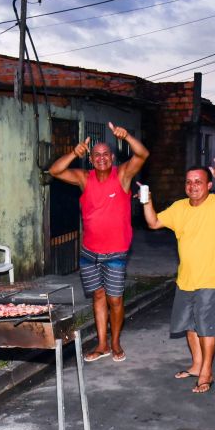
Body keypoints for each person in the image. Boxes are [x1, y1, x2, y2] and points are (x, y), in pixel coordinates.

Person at [49, 122, 149, 363]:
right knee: (98, 297)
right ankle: (102, 344)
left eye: (106, 154)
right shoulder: (84, 178)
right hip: (89, 253)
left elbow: (143, 154)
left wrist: (126, 136)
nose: (102, 158)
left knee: (115, 299)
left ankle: (115, 342)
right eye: (97, 155)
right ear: (91, 159)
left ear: (112, 158)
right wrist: (74, 152)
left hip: (115, 252)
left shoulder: (122, 175)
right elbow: (55, 171)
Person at [141, 160, 215, 393]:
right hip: (186, 278)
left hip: (212, 278)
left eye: (198, 182)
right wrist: (146, 201)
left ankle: (207, 371)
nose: (193, 186)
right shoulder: (179, 208)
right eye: (189, 182)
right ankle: (197, 365)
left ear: (208, 185)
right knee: (189, 325)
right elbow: (153, 222)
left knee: (206, 327)